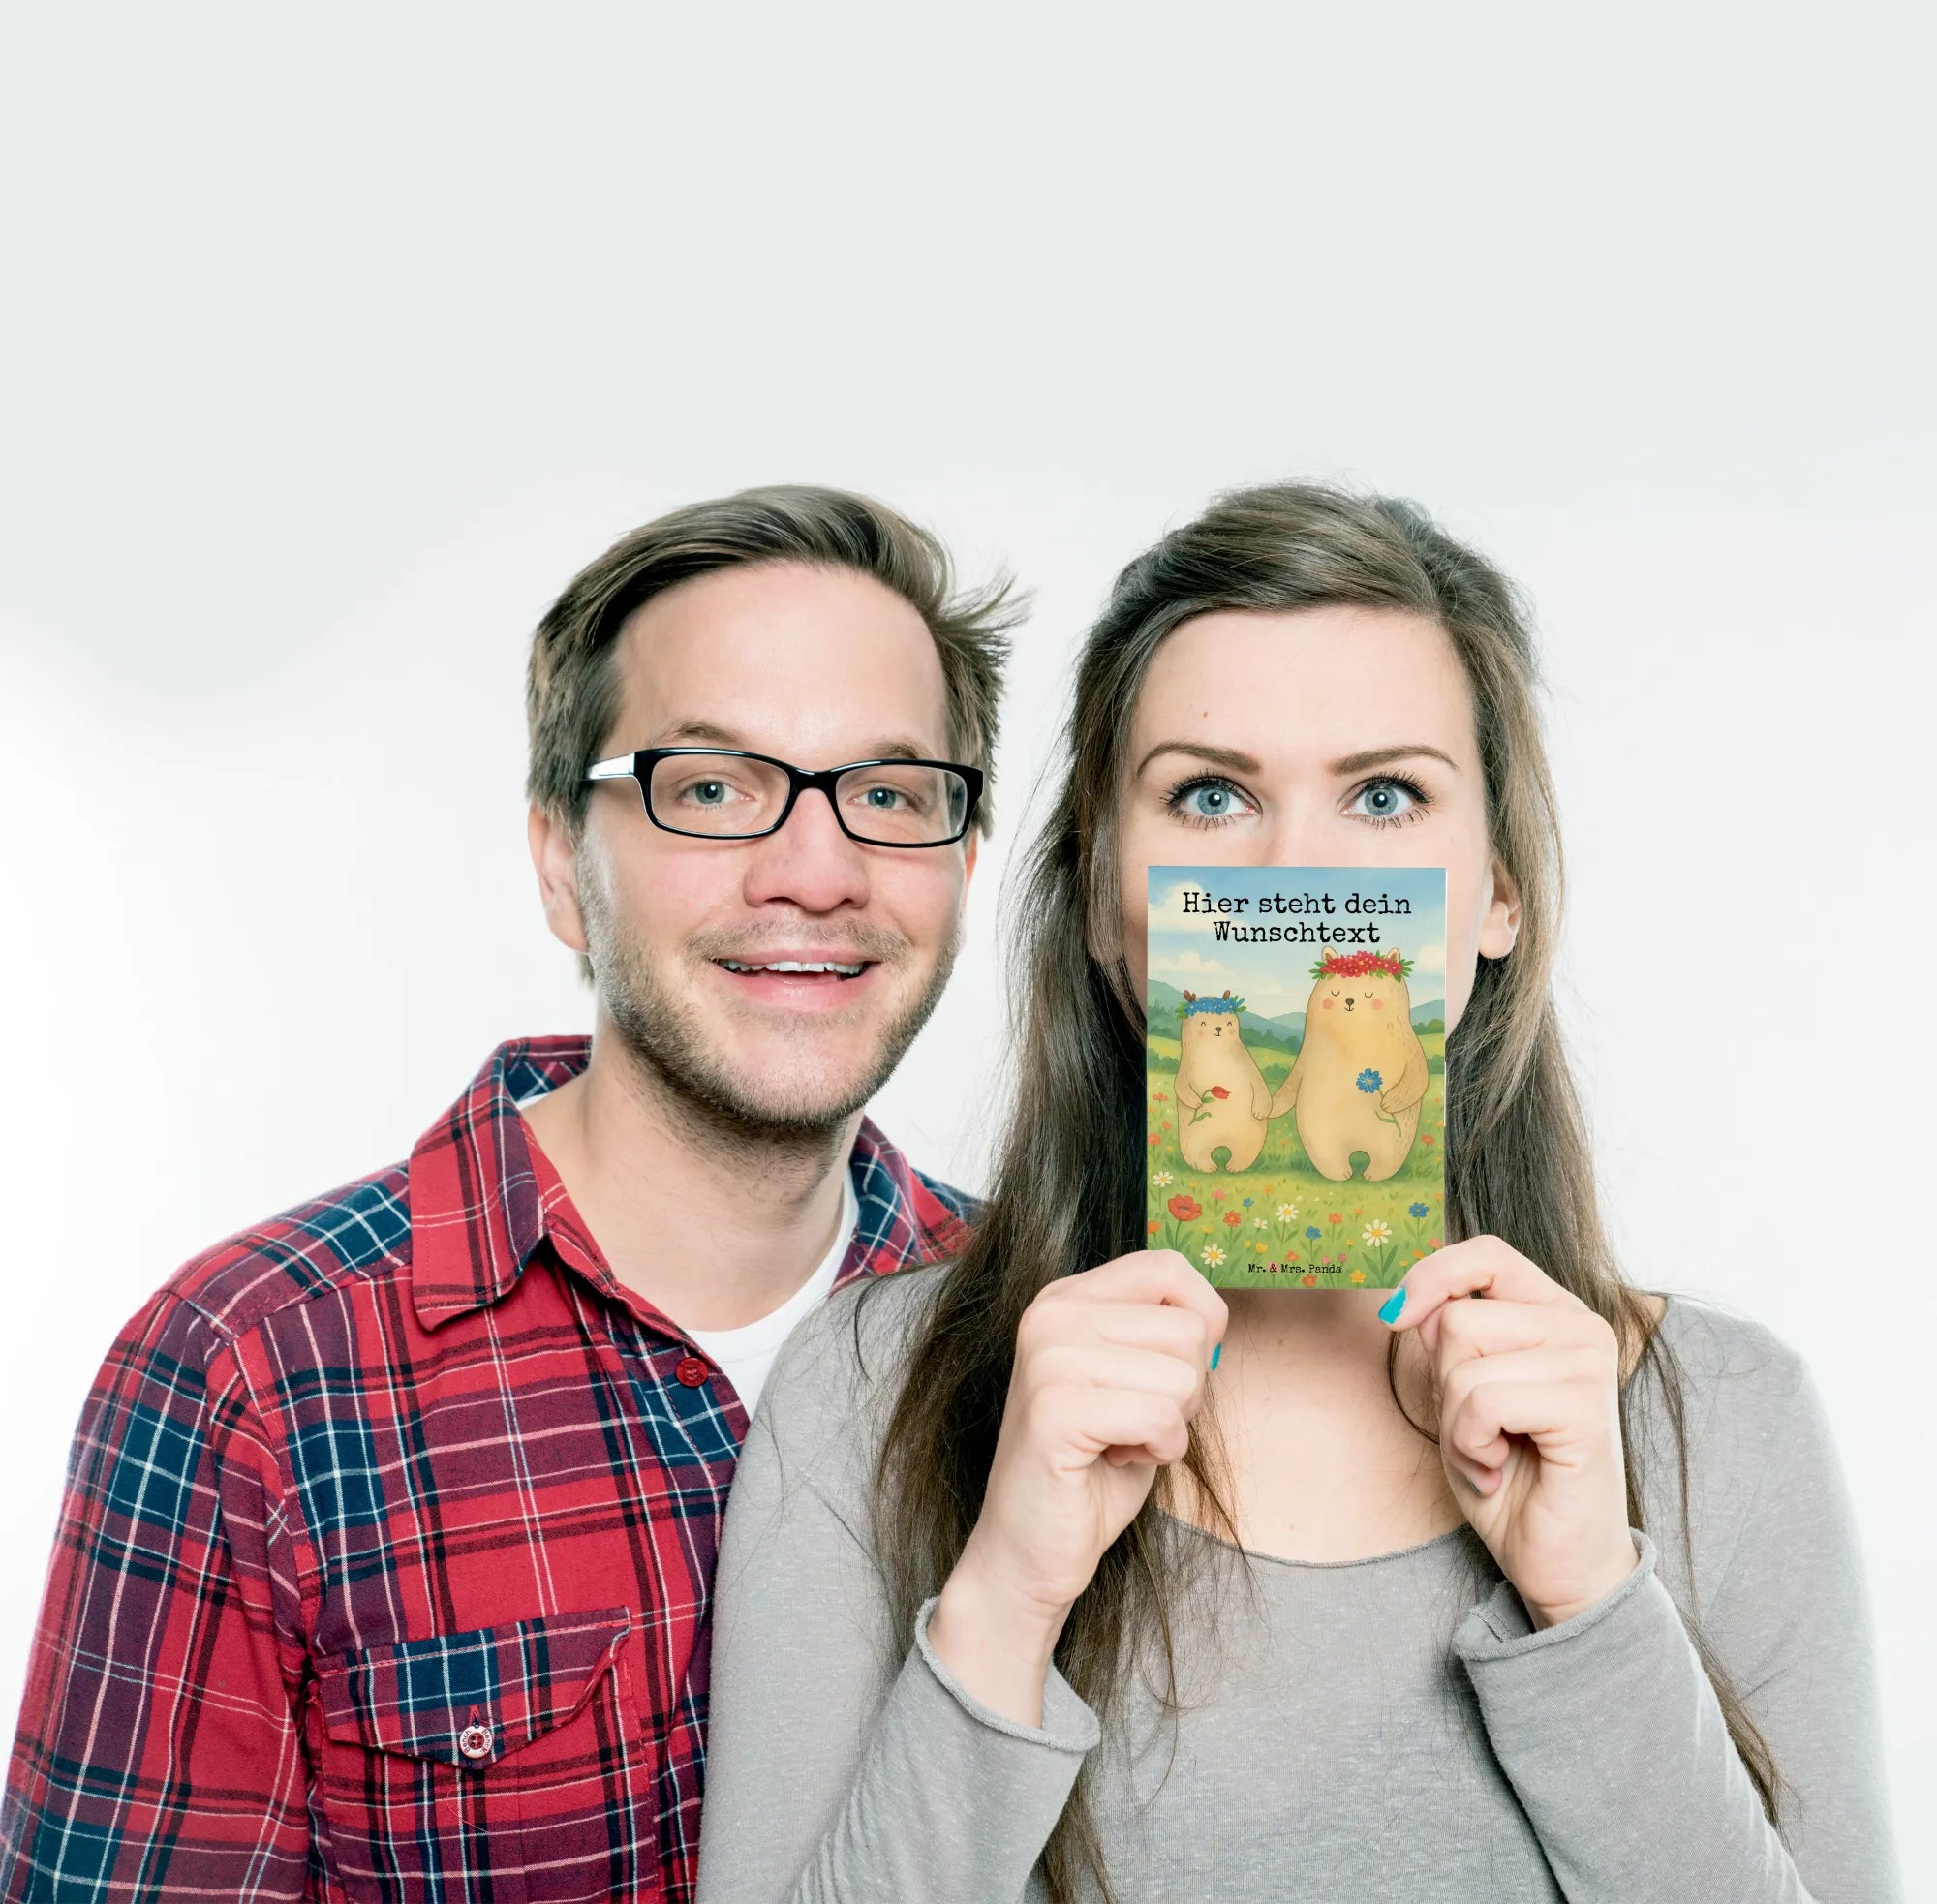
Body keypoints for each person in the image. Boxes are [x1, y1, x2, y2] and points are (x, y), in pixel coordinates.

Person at [694, 483, 1902, 1902]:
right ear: (1103, 900)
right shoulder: (869, 1391)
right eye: (1210, 797)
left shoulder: (1727, 1420)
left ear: (1498, 894)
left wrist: (1590, 1603)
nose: (1297, 875)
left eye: (1385, 797)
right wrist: (1005, 1596)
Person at [0, 485, 1019, 1902]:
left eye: (890, 796)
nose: (818, 871)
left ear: (962, 860)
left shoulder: (1035, 1319)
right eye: (712, 789)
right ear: (559, 864)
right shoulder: (247, 1374)